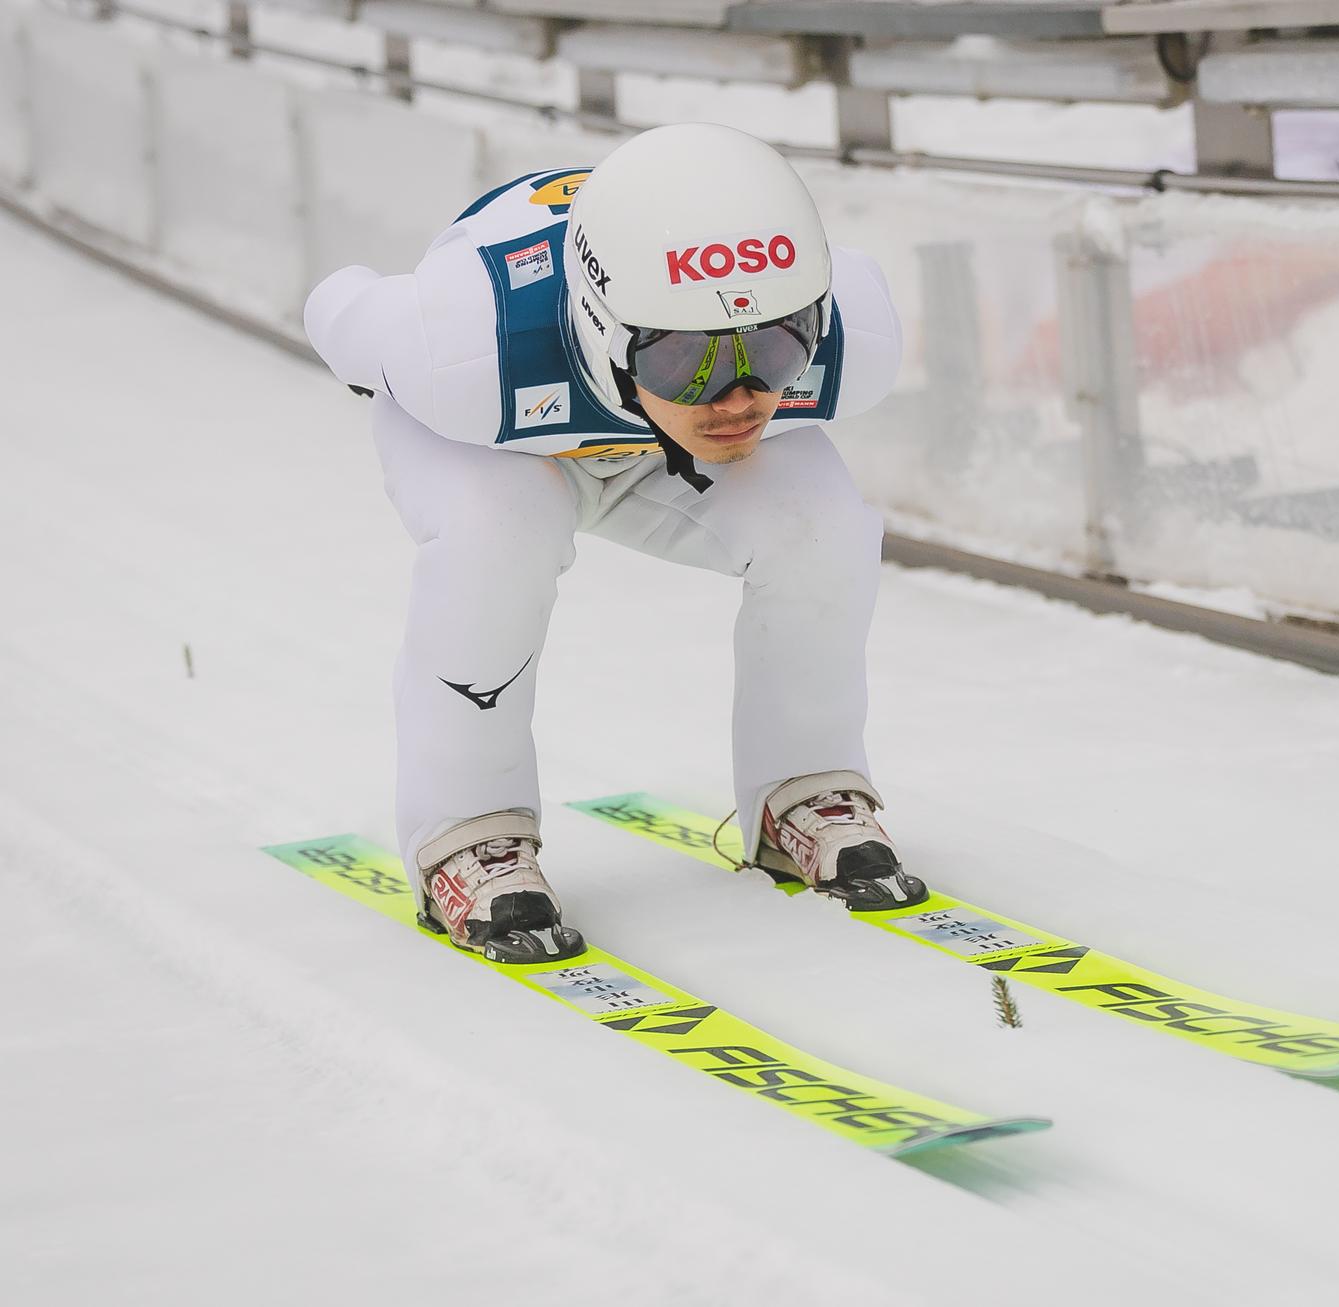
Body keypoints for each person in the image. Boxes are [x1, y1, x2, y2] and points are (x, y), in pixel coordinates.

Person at [302, 123, 925, 964]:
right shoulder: (457, 342)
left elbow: (737, 365)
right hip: (496, 436)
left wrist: (694, 375)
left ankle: (805, 787)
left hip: (655, 444)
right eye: (688, 362)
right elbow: (337, 304)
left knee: (825, 525)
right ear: (602, 327)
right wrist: (379, 371)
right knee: (496, 535)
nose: (740, 397)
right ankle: (467, 832)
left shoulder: (853, 331)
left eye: (779, 348)